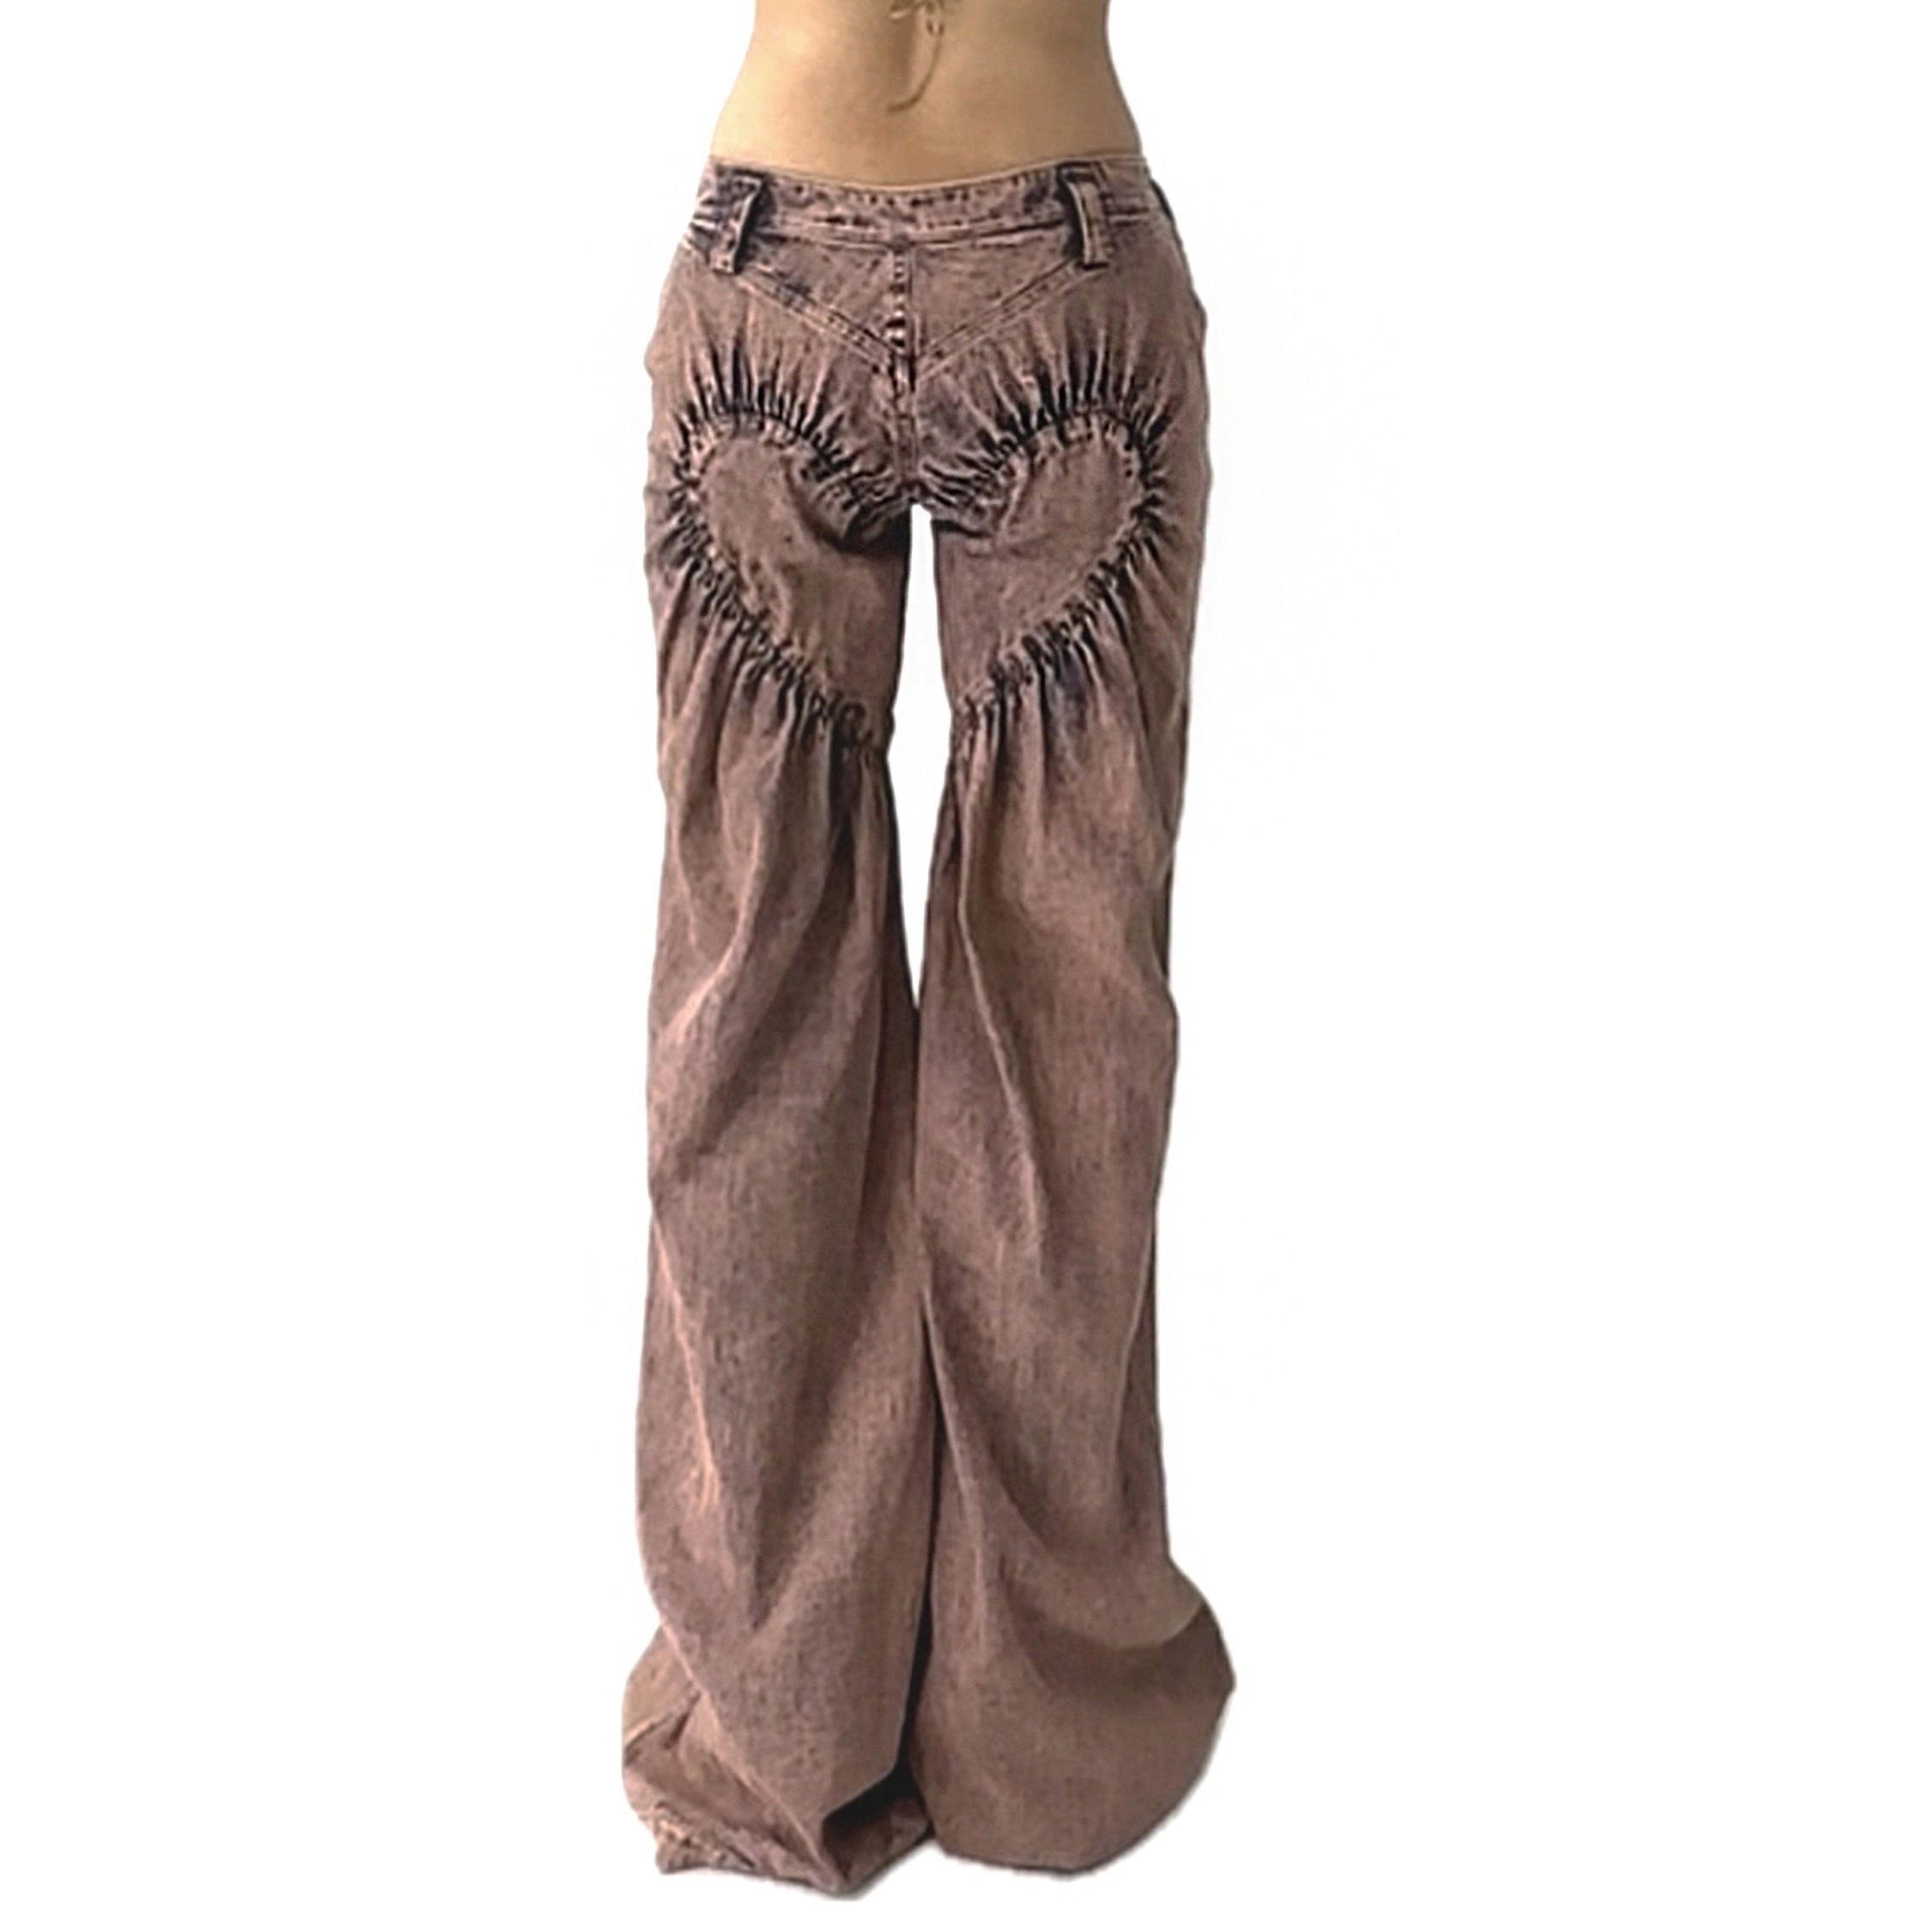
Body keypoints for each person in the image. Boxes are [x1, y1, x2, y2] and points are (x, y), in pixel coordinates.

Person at [620, 0, 1231, 1893]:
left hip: (772, 261)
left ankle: (776, 1718)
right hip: (1066, 269)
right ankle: (1043, 1728)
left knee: (750, 1018)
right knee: (1065, 1031)